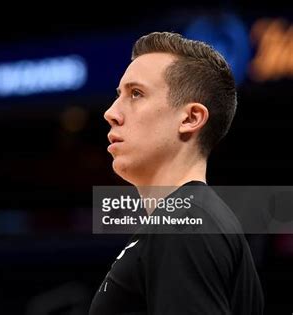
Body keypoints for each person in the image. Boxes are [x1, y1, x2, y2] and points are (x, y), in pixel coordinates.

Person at [89, 32, 264, 314]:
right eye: (118, 95)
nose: (111, 113)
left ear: (191, 118)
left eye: (136, 94)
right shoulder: (187, 217)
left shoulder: (182, 222)